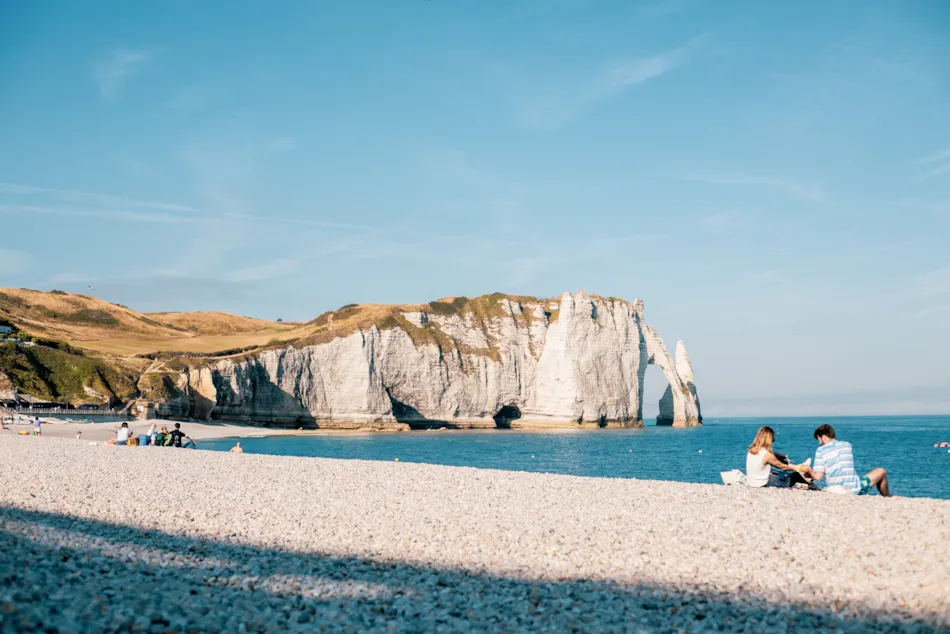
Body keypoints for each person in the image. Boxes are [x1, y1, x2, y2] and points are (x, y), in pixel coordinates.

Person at [800, 424, 890, 496]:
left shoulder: (820, 450)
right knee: (881, 471)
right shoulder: (847, 445)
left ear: (823, 437)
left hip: (836, 491)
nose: (819, 443)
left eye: (819, 440)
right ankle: (887, 497)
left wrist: (809, 469)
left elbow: (818, 477)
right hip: (855, 490)